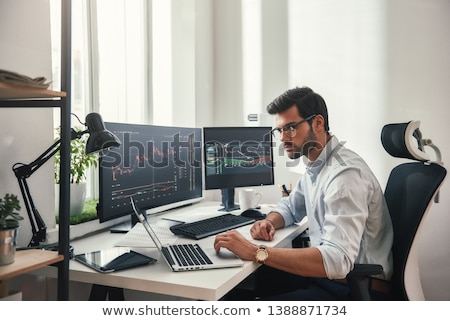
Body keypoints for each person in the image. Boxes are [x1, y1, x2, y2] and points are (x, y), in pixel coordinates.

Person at [214, 86, 393, 300]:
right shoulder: (317, 165)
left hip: (354, 290)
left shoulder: (344, 176)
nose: (282, 138)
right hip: (330, 279)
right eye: (279, 130)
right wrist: (269, 222)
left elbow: (337, 261)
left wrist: (255, 251)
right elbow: (290, 208)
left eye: (290, 128)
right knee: (237, 288)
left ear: (317, 123)